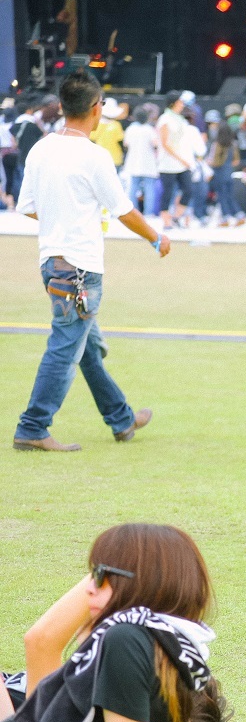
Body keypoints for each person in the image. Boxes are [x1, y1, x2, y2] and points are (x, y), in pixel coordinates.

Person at [12, 72, 169, 453]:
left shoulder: (41, 149)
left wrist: (63, 218)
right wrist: (156, 237)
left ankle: (121, 418)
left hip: (52, 260)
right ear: (96, 108)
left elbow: (28, 207)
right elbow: (124, 210)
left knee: (86, 348)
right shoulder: (94, 156)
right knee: (67, 348)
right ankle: (33, 426)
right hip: (81, 267)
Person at [0, 523, 216, 722]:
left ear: (143, 582)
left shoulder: (125, 639)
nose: (89, 588)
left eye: (101, 575)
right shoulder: (176, 646)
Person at [156, 91, 194, 230]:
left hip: (182, 161)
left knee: (188, 189)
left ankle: (177, 216)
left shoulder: (181, 119)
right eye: (180, 101)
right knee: (167, 192)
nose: (182, 104)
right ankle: (166, 221)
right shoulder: (165, 119)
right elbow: (165, 143)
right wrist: (180, 158)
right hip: (168, 163)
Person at [122, 106, 159, 215]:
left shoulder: (131, 129)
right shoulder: (149, 129)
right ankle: (148, 213)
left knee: (133, 188)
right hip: (148, 163)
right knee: (149, 189)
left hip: (134, 162)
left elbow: (126, 144)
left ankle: (134, 213)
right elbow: (155, 144)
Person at [208, 122, 244, 226]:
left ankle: (225, 217)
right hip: (229, 172)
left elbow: (216, 161)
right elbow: (236, 160)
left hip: (219, 173)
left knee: (221, 196)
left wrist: (209, 163)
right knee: (230, 195)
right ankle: (239, 214)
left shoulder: (217, 144)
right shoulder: (233, 144)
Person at [89, 99, 125, 168]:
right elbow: (120, 141)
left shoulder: (95, 124)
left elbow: (91, 140)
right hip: (115, 159)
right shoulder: (116, 125)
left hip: (98, 159)